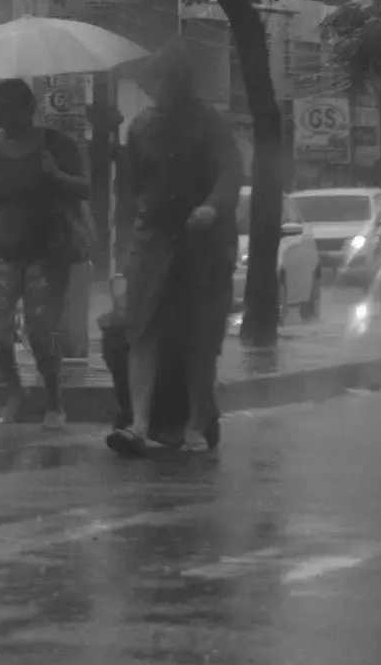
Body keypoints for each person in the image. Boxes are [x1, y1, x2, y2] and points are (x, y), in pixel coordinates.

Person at [108, 40, 244, 456]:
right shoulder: (142, 127)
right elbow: (129, 192)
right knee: (141, 332)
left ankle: (196, 423)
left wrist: (211, 208)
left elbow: (231, 173)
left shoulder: (210, 124)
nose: (156, 90)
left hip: (203, 244)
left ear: (181, 83)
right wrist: (122, 252)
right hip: (152, 241)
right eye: (153, 83)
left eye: (164, 81)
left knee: (198, 337)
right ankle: (139, 422)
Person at [0, 78, 90, 427]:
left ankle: (55, 400)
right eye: (0, 110)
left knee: (41, 330)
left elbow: (86, 188)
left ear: (31, 109)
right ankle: (15, 393)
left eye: (13, 109)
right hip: (2, 249)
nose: (5, 117)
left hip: (47, 249)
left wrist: (55, 175)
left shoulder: (56, 145)